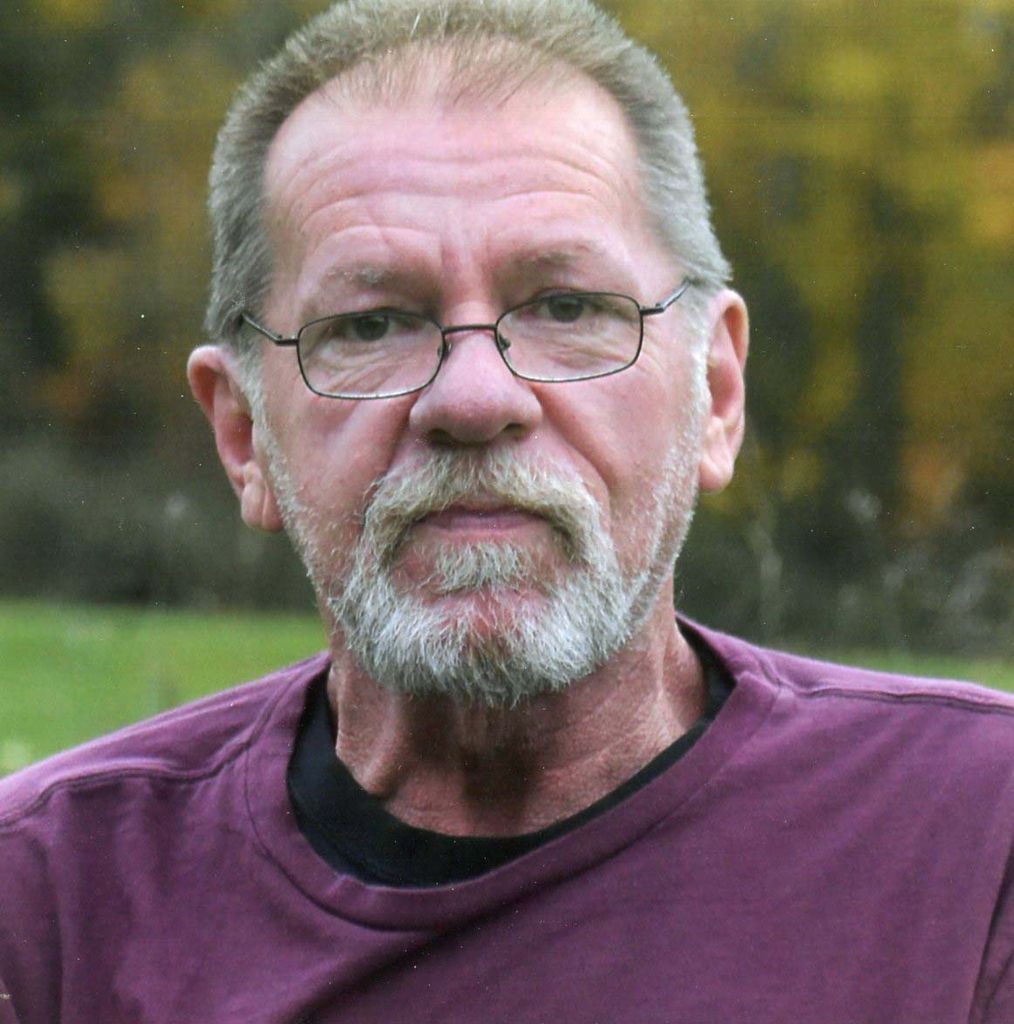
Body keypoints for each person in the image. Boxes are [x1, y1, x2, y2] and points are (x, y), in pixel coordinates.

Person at [1, 0, 1011, 1020]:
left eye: (568, 308)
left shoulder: (972, 845)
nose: (476, 399)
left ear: (716, 391)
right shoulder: (49, 906)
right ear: (243, 434)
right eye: (372, 324)